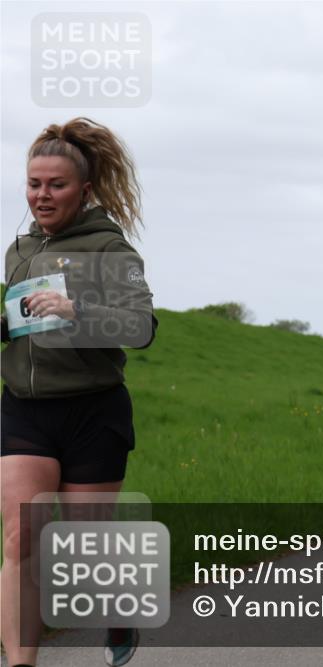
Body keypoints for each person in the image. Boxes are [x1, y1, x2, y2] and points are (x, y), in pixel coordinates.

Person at [1, 118, 156, 667]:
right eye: (33, 184)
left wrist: (76, 311)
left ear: (84, 189)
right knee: (21, 538)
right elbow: (21, 321)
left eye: (56, 185)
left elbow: (141, 328)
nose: (42, 195)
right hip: (24, 410)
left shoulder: (111, 249)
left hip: (93, 411)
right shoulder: (19, 249)